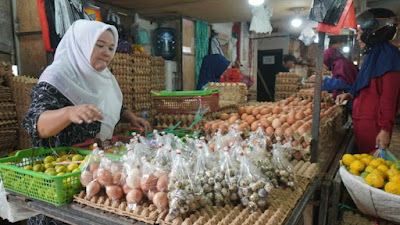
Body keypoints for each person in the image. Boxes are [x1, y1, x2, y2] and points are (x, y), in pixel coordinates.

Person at [336, 8, 400, 154]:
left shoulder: (390, 57)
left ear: (372, 31)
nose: (358, 37)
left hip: (374, 125)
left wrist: (384, 129)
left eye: (360, 32)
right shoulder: (372, 55)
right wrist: (350, 94)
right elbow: (363, 84)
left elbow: (389, 98)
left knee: (370, 168)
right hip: (362, 121)